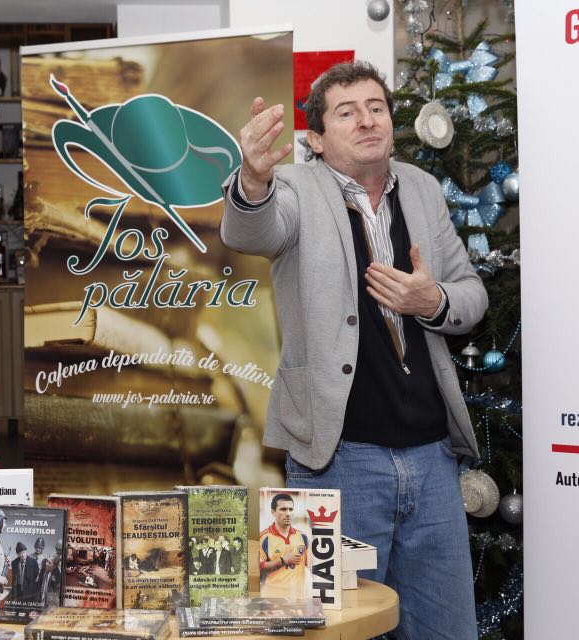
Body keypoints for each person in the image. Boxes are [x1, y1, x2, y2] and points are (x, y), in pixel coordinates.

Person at [222, 61, 486, 639]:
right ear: (316, 139)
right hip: (336, 463)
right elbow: (249, 232)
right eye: (347, 113)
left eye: (376, 108)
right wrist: (254, 181)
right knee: (326, 630)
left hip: (433, 460)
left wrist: (433, 300)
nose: (367, 120)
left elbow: (472, 294)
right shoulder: (293, 187)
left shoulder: (422, 189)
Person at [258, 493, 308, 598]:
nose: (288, 513)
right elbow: (258, 568)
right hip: (272, 599)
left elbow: (311, 566)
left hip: (297, 599)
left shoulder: (303, 537)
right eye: (283, 509)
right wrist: (283, 560)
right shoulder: (263, 538)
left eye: (290, 509)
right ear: (273, 512)